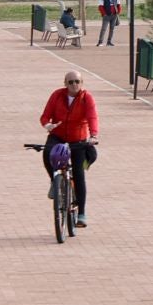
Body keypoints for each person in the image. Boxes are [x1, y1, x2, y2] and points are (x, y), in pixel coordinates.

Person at [38, 70, 99, 227]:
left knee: (78, 175)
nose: (74, 85)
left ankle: (82, 214)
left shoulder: (87, 98)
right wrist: (48, 125)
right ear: (65, 83)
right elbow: (45, 115)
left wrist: (93, 135)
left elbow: (92, 117)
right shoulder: (57, 95)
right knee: (47, 153)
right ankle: (54, 182)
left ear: (82, 83)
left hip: (78, 138)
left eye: (77, 82)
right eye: (70, 82)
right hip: (58, 135)